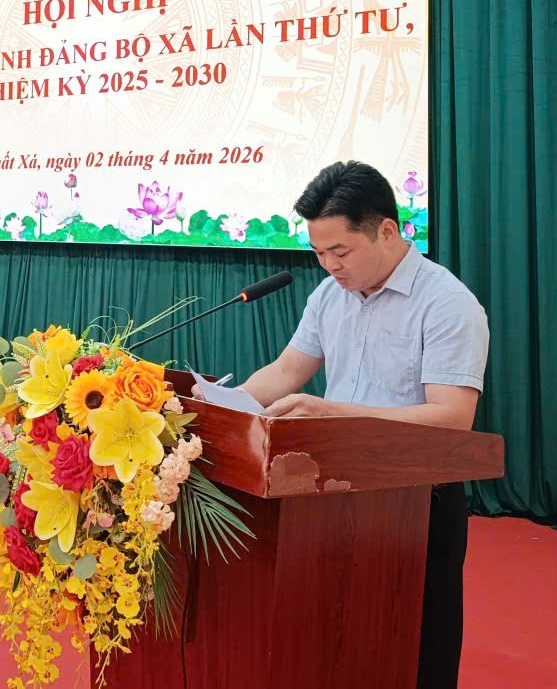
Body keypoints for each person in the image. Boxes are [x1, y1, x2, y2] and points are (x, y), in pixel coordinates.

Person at [195, 161, 489, 689]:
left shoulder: (447, 304)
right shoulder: (330, 295)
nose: (329, 265)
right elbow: (288, 371)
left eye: (341, 251)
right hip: (330, 496)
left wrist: (332, 413)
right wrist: (224, 406)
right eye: (318, 253)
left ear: (387, 231)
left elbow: (452, 419)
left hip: (416, 504)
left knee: (414, 652)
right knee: (335, 642)